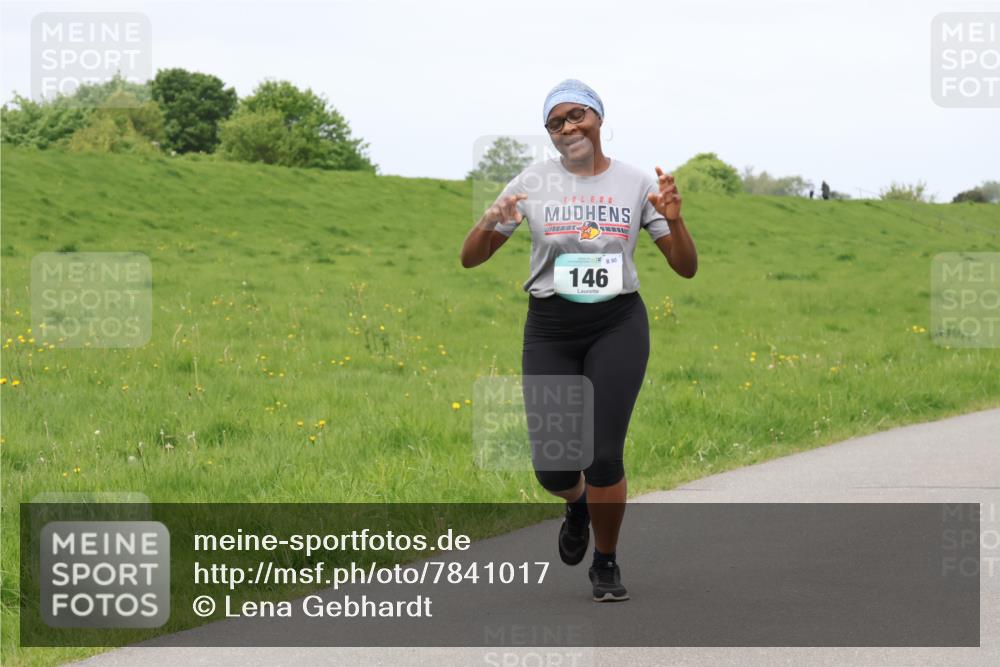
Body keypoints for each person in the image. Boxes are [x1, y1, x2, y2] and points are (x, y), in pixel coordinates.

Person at [460, 78, 698, 601]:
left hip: (617, 323)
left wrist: (675, 222)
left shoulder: (636, 183)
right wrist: (488, 221)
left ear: (598, 118)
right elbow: (471, 258)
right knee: (554, 468)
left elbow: (685, 267)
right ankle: (577, 505)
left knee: (604, 455)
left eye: (576, 115)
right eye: (555, 122)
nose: (567, 128)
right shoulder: (532, 182)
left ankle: (606, 561)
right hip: (551, 328)